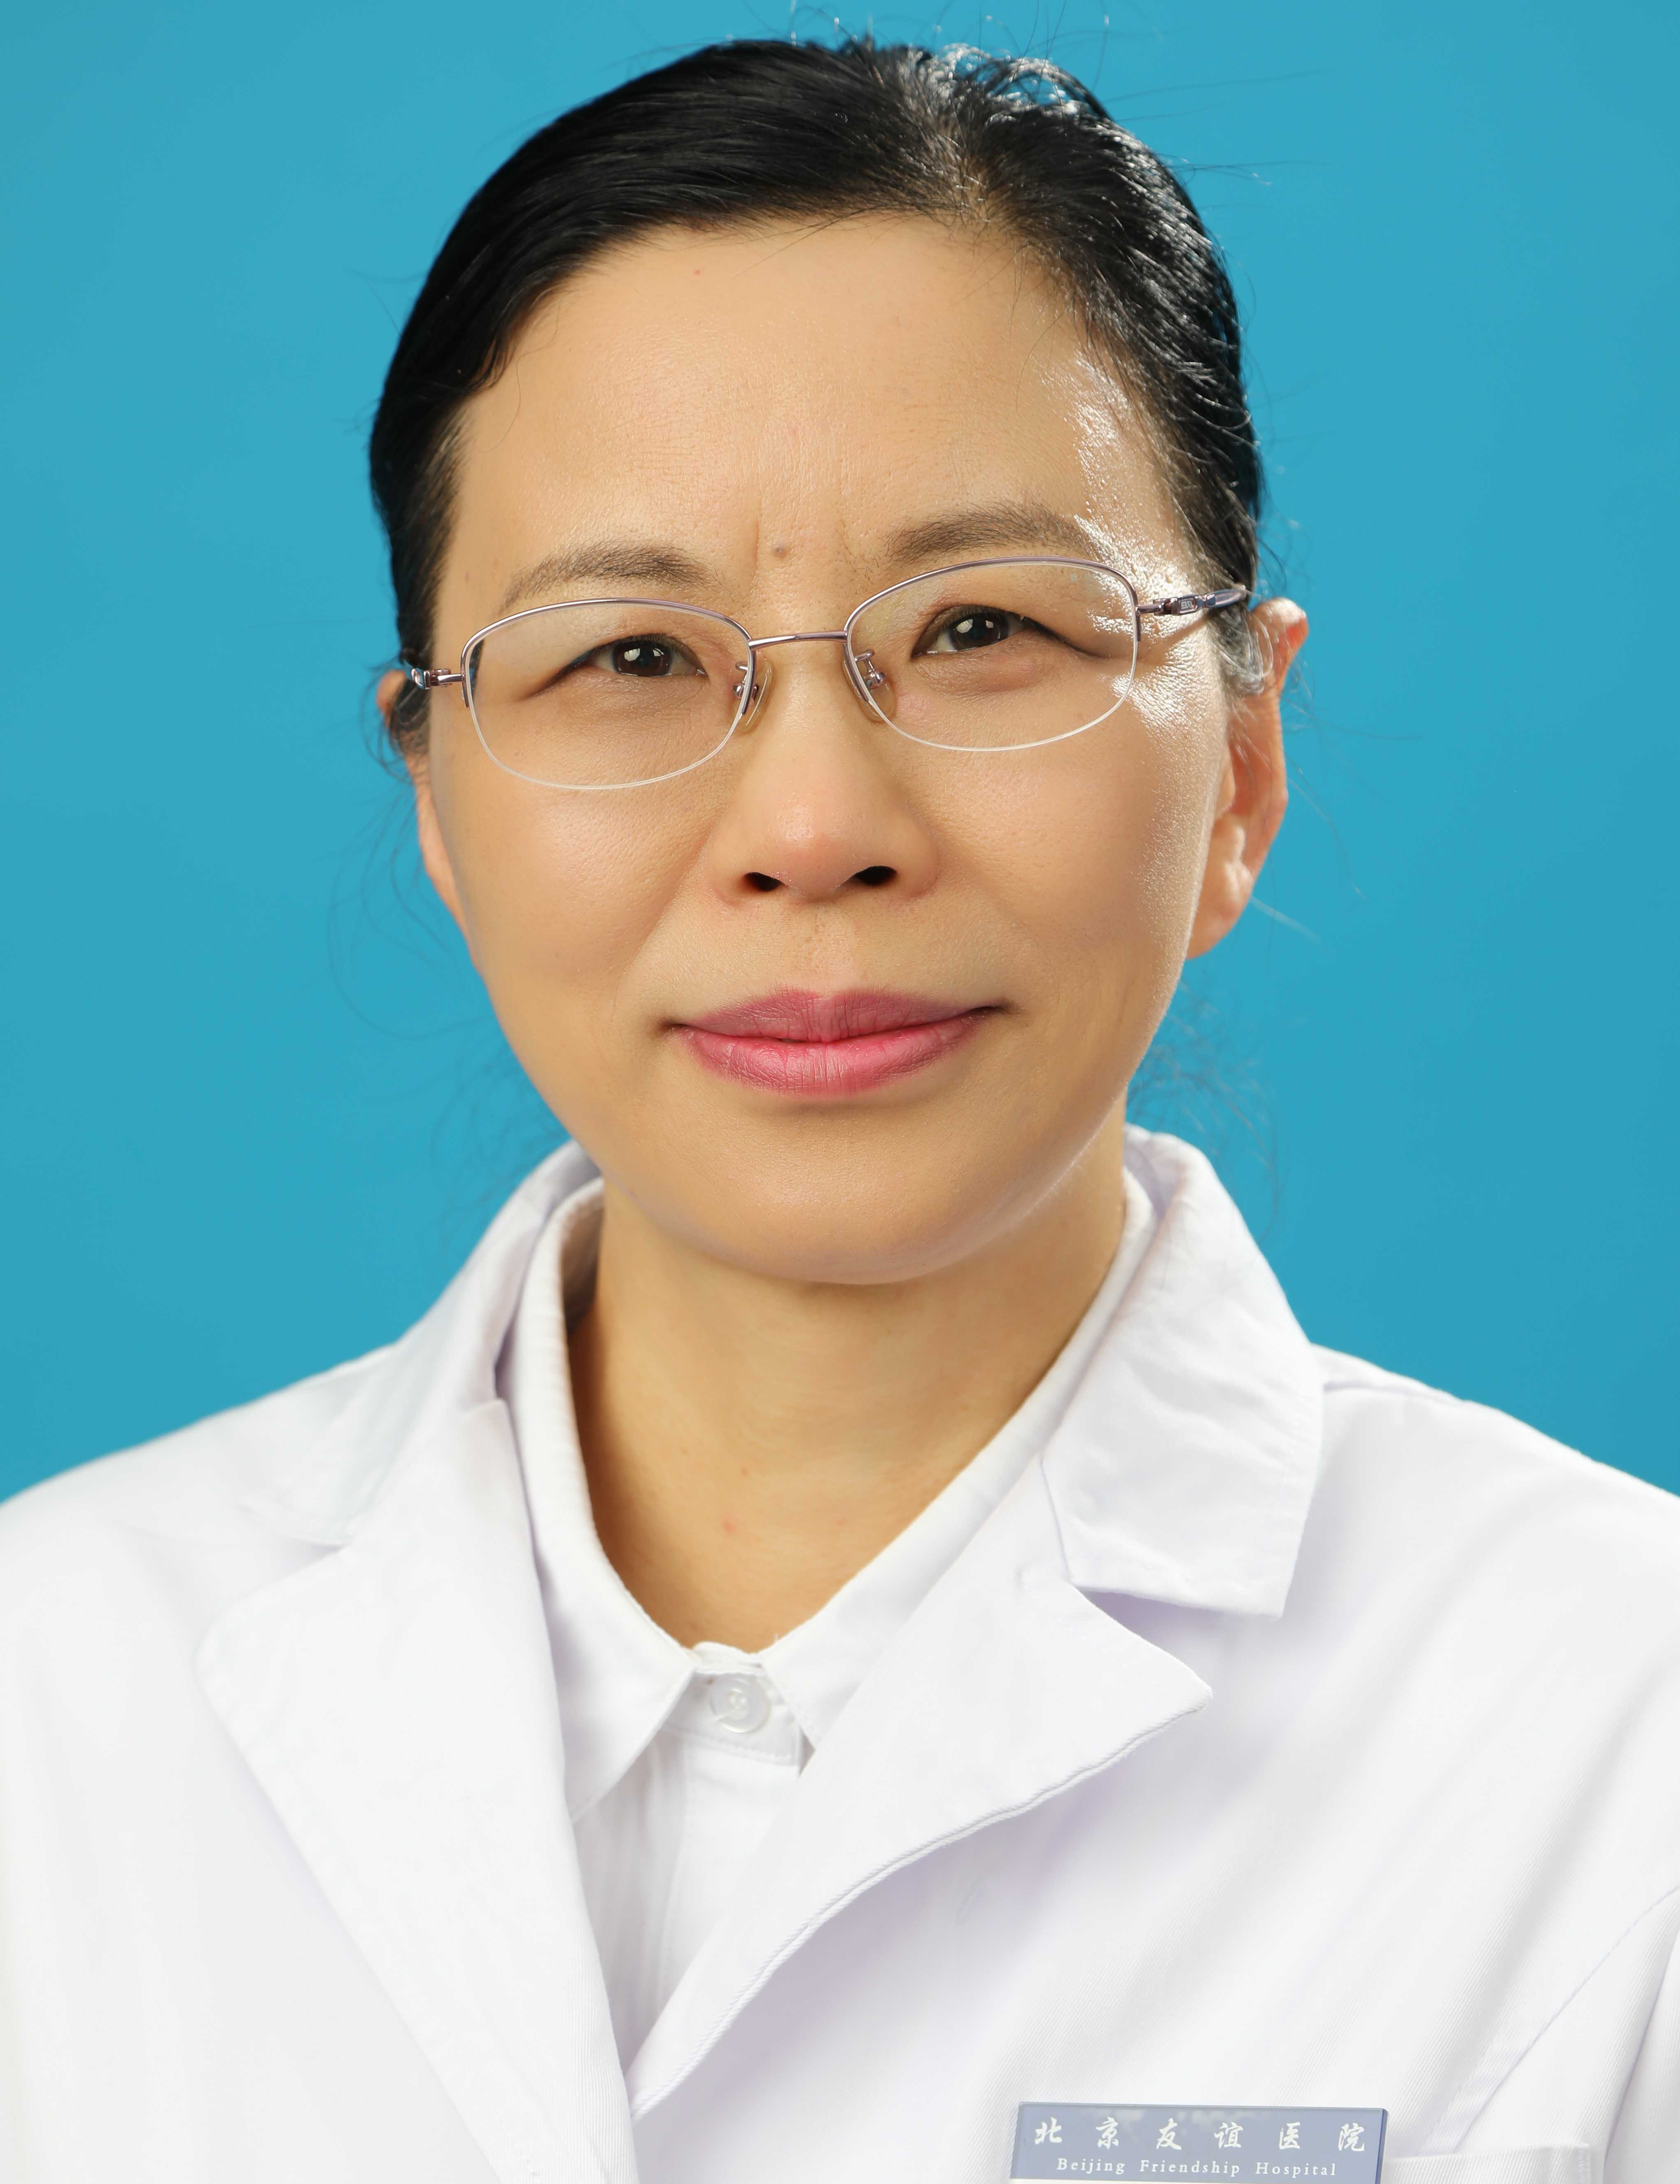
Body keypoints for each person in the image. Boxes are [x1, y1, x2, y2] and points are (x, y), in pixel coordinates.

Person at [0, 37, 1673, 2184]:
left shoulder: (1620, 1738)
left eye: (981, 628)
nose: (810, 828)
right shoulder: (51, 1697)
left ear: (1243, 766)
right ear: (436, 799)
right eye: (627, 657)